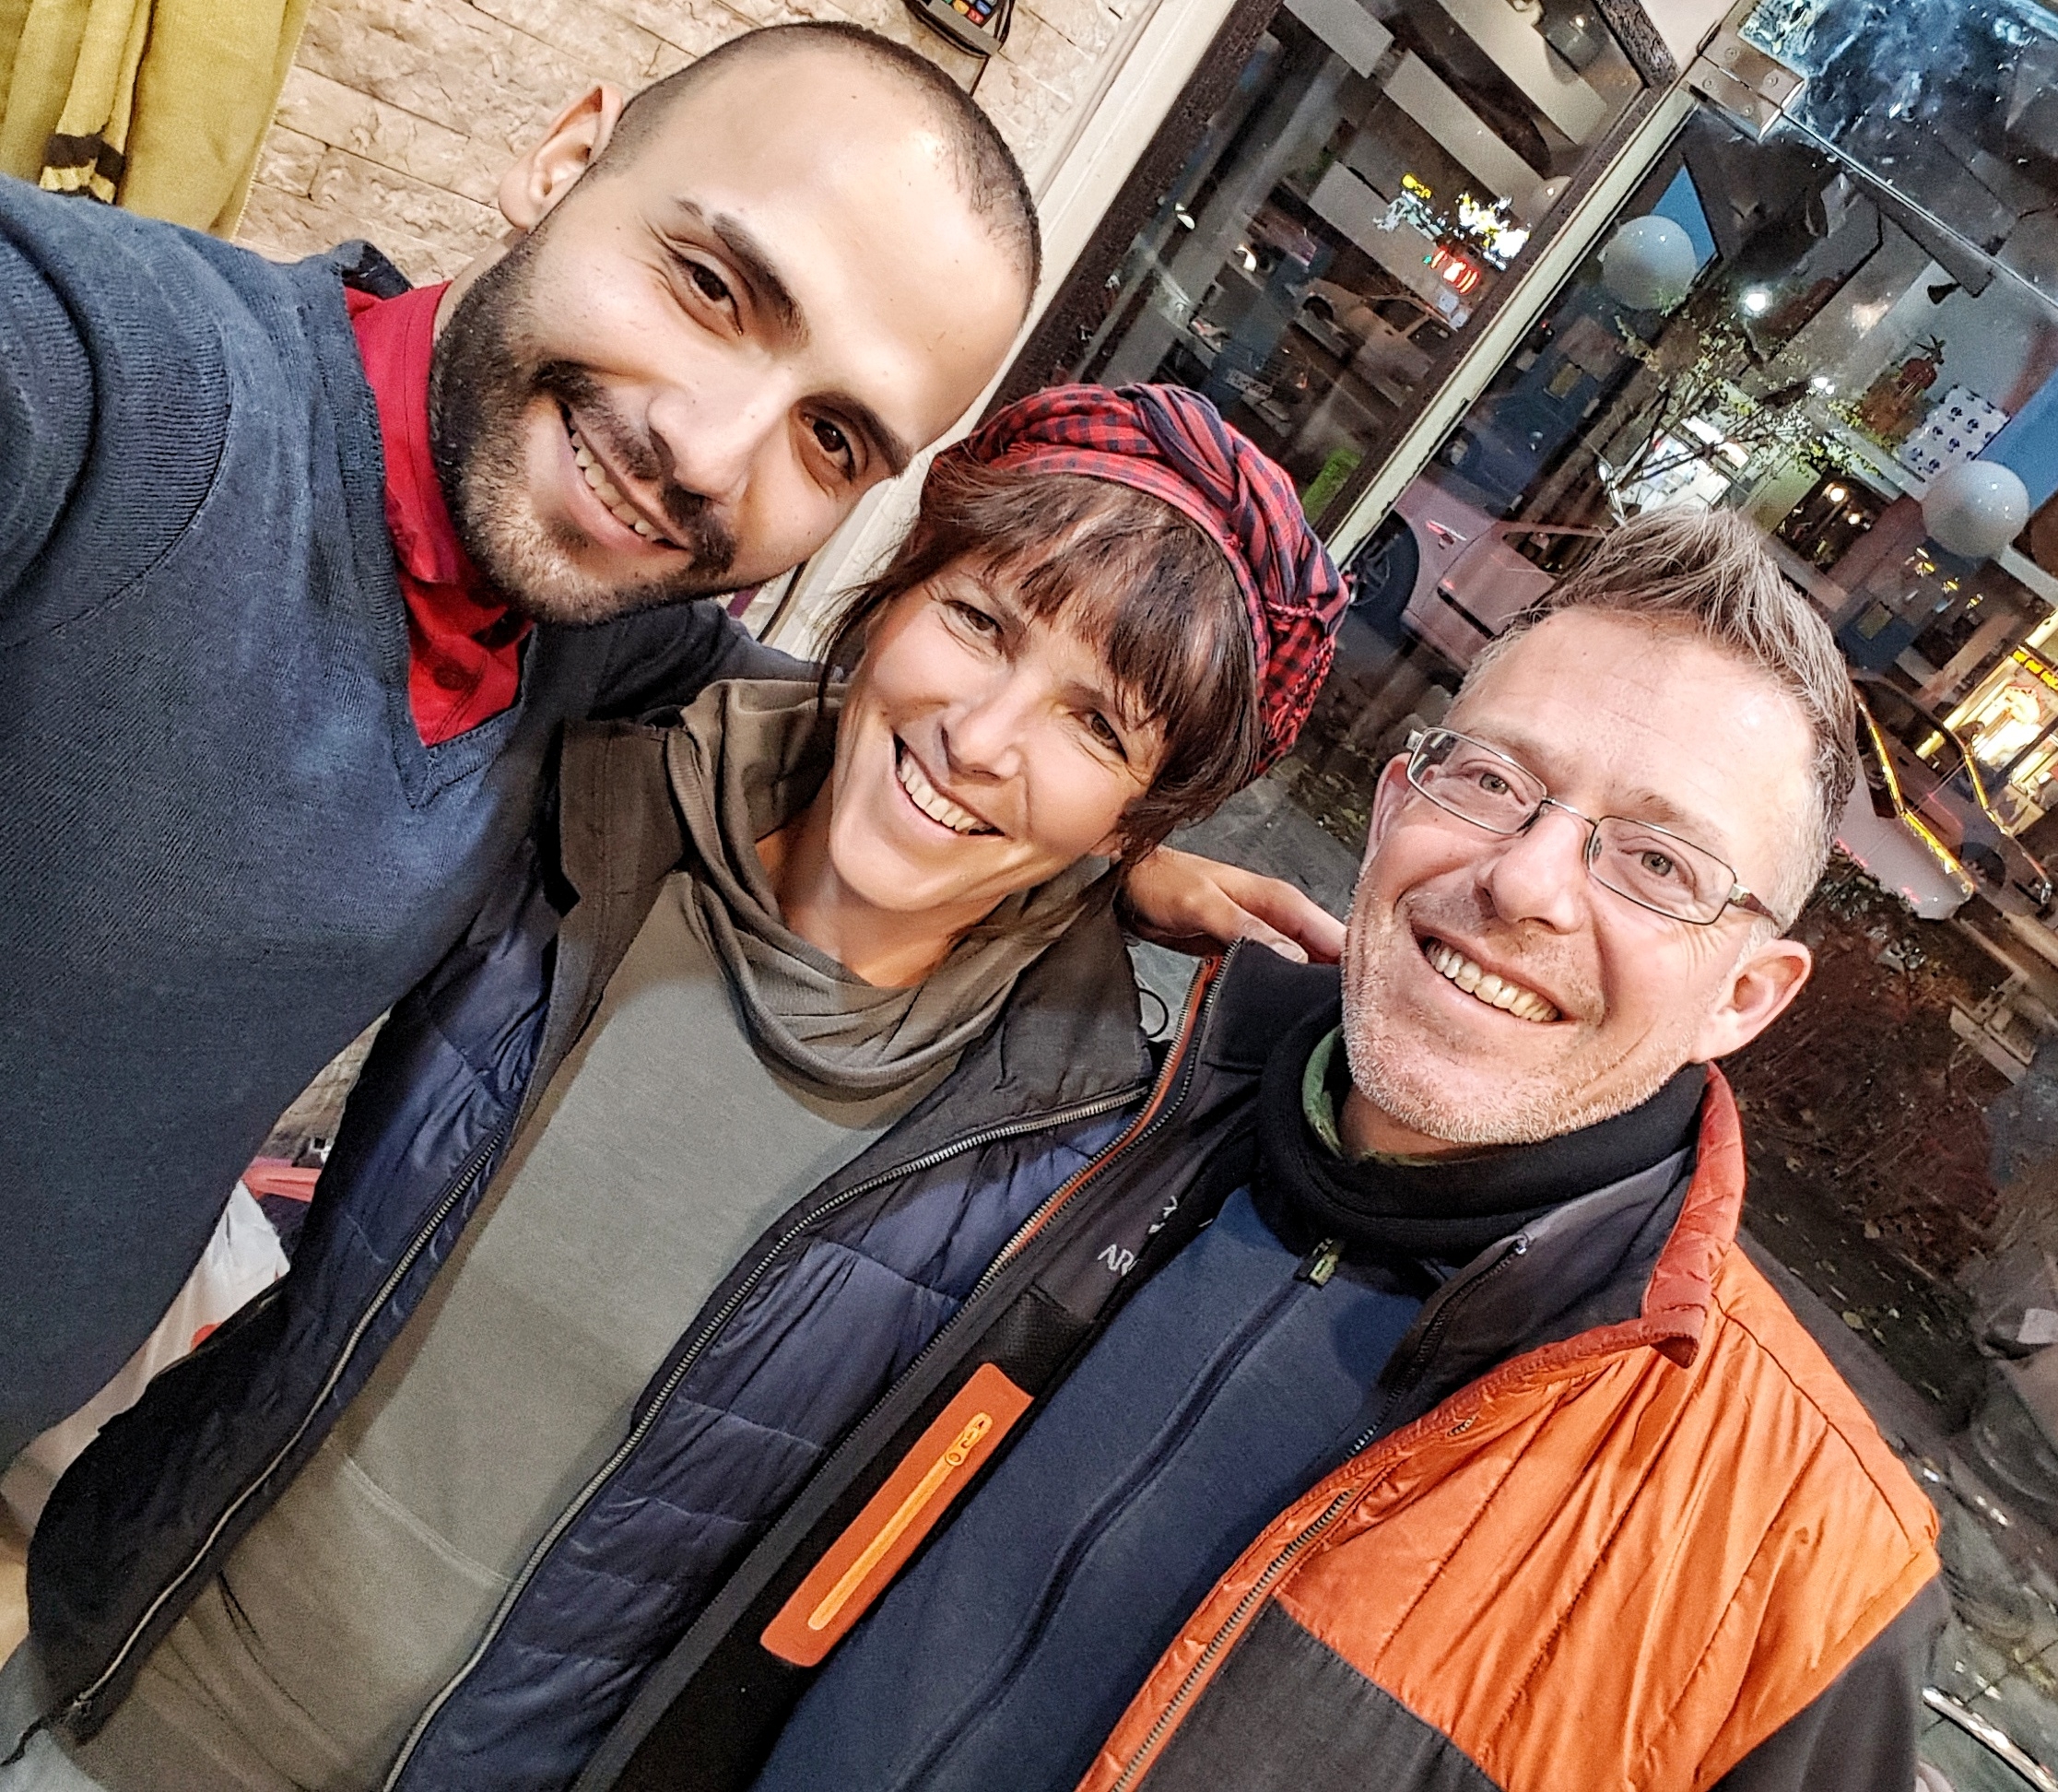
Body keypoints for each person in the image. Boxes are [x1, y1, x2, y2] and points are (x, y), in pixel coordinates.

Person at [0, 21, 1327, 1461]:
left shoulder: (600, 630)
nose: (705, 452)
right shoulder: (109, 385)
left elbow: (862, 725)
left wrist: (1108, 862)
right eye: (710, 287)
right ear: (563, 157)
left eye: (831, 438)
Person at [0, 384, 1348, 1792]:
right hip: (117, 1673)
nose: (983, 735)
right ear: (895, 590)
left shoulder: (1068, 1141)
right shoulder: (600, 792)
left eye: (1098, 727)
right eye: (979, 622)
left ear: (1140, 816)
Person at [573, 507, 1946, 1792]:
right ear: (1397, 803)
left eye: (1656, 865)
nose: (1527, 882)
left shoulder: (1806, 1564)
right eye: (1492, 782)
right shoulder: (1100, 1096)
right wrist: (1090, 862)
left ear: (1746, 996)